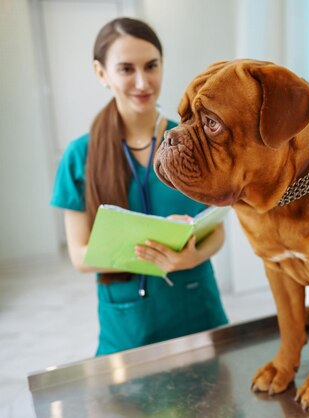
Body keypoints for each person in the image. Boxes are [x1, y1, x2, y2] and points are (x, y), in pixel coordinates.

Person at [50, 17, 228, 356]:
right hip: (129, 324)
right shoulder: (79, 156)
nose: (143, 81)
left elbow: (216, 231)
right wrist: (151, 252)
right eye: (126, 69)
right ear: (102, 74)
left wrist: (192, 257)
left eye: (151, 66)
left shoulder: (197, 143)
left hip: (196, 308)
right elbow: (79, 255)